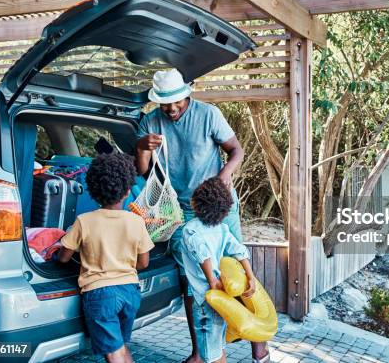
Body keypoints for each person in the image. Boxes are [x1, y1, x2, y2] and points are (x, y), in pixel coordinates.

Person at [135, 69, 269, 363]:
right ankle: (200, 352)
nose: (171, 109)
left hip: (220, 203)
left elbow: (236, 150)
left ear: (187, 93)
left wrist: (222, 178)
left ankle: (259, 347)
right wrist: (143, 147)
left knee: (236, 269)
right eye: (165, 104)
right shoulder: (150, 122)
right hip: (181, 209)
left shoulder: (208, 114)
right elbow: (144, 172)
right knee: (193, 279)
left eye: (177, 102)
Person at [58, 153, 154, 363]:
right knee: (119, 346)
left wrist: (63, 247)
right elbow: (144, 263)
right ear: (128, 190)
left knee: (114, 352)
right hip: (130, 292)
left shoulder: (84, 221)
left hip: (100, 295)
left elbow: (63, 257)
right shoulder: (136, 222)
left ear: (93, 191)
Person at [182, 177, 256, 363]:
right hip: (222, 298)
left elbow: (202, 253)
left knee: (211, 354)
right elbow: (240, 251)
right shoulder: (222, 229)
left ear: (194, 203)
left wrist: (212, 280)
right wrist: (251, 277)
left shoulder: (190, 229)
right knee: (218, 347)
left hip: (207, 299)